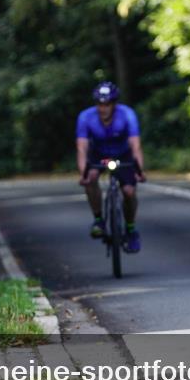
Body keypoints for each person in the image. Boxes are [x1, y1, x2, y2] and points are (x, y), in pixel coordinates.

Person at [76, 81, 146, 253]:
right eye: (100, 104)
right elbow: (82, 148)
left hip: (123, 154)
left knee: (129, 191)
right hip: (98, 154)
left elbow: (136, 146)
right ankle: (98, 219)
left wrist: (139, 171)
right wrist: (83, 173)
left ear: (114, 104)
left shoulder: (127, 114)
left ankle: (130, 229)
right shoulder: (86, 117)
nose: (103, 108)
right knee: (91, 178)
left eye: (107, 104)